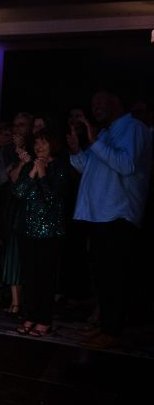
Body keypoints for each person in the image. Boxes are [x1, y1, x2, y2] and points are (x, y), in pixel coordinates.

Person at [68, 90, 152, 349]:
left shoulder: (133, 128)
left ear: (116, 102)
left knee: (115, 277)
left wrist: (94, 142)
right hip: (100, 215)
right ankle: (105, 325)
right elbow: (88, 168)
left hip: (118, 215)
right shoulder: (105, 133)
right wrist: (77, 150)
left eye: (101, 102)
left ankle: (113, 330)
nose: (95, 107)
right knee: (103, 277)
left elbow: (126, 165)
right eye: (93, 103)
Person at [13, 129, 69, 337]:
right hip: (26, 229)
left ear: (53, 144)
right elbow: (18, 192)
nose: (39, 146)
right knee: (29, 277)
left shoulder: (59, 167)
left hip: (49, 231)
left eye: (43, 142)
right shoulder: (30, 165)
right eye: (36, 143)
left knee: (45, 277)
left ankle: (44, 319)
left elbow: (52, 198)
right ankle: (29, 316)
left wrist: (43, 174)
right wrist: (32, 173)